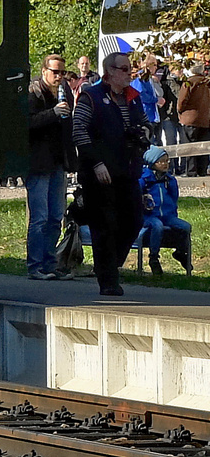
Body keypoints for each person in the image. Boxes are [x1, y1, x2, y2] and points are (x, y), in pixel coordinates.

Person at [71, 51, 150, 296]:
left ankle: (108, 264)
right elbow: (79, 130)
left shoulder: (132, 98)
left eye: (130, 68)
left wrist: (144, 133)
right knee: (105, 225)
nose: (130, 73)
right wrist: (96, 162)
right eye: (124, 69)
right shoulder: (91, 96)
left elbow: (146, 123)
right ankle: (108, 281)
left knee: (133, 220)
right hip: (100, 173)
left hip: (127, 169)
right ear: (111, 72)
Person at [26, 54, 76, 279]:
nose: (59, 77)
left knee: (56, 215)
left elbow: (68, 128)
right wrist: (52, 113)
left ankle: (50, 264)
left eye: (62, 72)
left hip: (58, 161)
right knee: (40, 217)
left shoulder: (64, 92)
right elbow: (27, 123)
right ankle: (34, 266)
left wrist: (71, 160)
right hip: (38, 163)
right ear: (44, 71)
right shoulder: (33, 92)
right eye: (55, 72)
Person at [139, 147, 193, 274]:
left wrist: (173, 213)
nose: (165, 164)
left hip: (167, 216)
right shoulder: (144, 179)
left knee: (186, 227)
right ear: (152, 163)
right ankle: (154, 258)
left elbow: (174, 198)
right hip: (149, 216)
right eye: (161, 161)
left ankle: (180, 252)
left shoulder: (169, 180)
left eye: (167, 161)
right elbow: (136, 196)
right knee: (157, 226)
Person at [177, 60, 210, 177]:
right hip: (205, 119)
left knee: (189, 146)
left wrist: (181, 112)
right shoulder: (207, 83)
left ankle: (191, 171)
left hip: (189, 118)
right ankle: (202, 170)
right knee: (203, 147)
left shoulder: (189, 82)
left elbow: (182, 101)